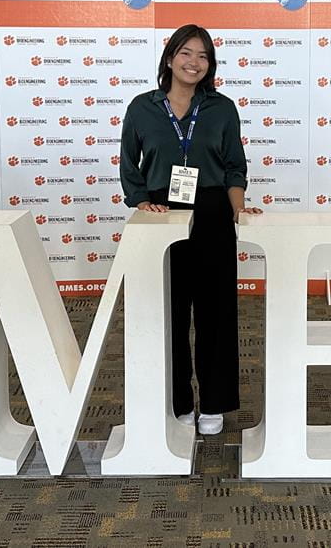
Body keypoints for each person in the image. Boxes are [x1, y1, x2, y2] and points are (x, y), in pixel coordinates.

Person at [119, 24, 261, 435]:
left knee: (216, 310)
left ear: (209, 65)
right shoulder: (143, 108)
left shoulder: (221, 108)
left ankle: (214, 403)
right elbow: (130, 161)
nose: (194, 62)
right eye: (186, 53)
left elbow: (235, 164)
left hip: (214, 209)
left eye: (202, 56)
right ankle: (178, 399)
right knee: (171, 310)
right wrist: (141, 199)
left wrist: (238, 207)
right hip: (164, 214)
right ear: (169, 58)